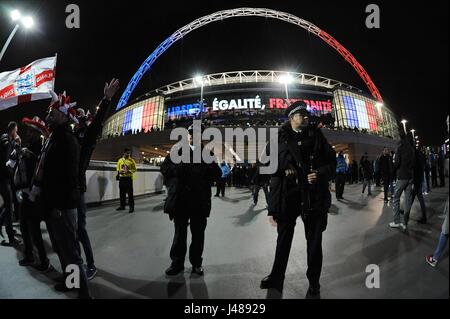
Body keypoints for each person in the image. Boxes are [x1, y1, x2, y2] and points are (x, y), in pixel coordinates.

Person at [261, 101, 336, 298]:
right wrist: (284, 169)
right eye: (301, 114)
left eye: (306, 114)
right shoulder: (278, 138)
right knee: (283, 239)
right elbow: (265, 164)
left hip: (313, 196)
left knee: (314, 241)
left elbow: (332, 162)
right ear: (291, 117)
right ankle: (276, 277)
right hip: (288, 196)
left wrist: (319, 173)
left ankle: (314, 282)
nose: (306, 117)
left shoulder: (316, 136)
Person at [37, 91, 91, 298]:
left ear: (62, 115)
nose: (48, 115)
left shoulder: (67, 140)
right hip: (56, 204)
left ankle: (84, 294)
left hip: (63, 206)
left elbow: (67, 178)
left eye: (52, 112)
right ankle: (71, 283)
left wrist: (58, 205)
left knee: (71, 252)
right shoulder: (56, 138)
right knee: (64, 249)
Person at [160, 123, 221, 276]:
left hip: (199, 201)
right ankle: (177, 263)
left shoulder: (207, 154)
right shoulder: (177, 151)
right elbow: (165, 168)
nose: (194, 136)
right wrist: (178, 169)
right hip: (181, 200)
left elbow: (217, 173)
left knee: (198, 235)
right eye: (191, 133)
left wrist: (204, 169)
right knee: (179, 233)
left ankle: (196, 264)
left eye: (198, 133)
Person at [75, 78, 120, 279]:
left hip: (75, 189)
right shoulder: (69, 136)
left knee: (79, 229)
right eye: (77, 116)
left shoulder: (86, 138)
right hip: (65, 189)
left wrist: (106, 100)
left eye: (83, 116)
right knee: (69, 232)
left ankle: (90, 265)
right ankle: (73, 273)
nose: (80, 117)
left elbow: (98, 121)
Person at [15, 117, 51, 271]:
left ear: (37, 133)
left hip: (35, 194)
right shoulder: (29, 145)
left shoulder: (42, 147)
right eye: (28, 131)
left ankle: (43, 260)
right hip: (25, 191)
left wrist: (31, 155)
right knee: (24, 225)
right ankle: (30, 255)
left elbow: (43, 166)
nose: (28, 134)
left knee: (35, 229)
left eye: (31, 131)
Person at [0, 121, 21, 246]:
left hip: (2, 179)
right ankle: (11, 238)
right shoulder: (7, 142)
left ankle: (8, 231)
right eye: (16, 130)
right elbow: (8, 162)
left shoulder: (4, 139)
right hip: (4, 179)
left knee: (8, 204)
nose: (17, 133)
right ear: (12, 130)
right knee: (9, 208)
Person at [389, 131, 415, 230]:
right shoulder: (411, 149)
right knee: (408, 200)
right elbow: (413, 163)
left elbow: (396, 163)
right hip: (410, 176)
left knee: (396, 198)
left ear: (400, 137)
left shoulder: (399, 148)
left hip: (402, 176)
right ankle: (405, 223)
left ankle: (396, 221)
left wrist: (394, 162)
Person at [409, 145, 427, 224]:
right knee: (413, 196)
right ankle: (407, 210)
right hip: (418, 179)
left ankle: (424, 217)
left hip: (417, 180)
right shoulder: (419, 155)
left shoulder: (415, 156)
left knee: (419, 197)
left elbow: (415, 169)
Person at [116, 148, 137, 213]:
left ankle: (131, 207)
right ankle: (122, 206)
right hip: (122, 179)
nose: (128, 154)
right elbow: (117, 169)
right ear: (124, 153)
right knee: (122, 193)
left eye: (129, 153)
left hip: (128, 178)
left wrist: (128, 171)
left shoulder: (132, 161)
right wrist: (120, 171)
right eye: (127, 153)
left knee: (130, 194)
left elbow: (135, 170)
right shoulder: (120, 160)